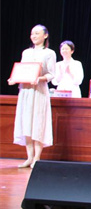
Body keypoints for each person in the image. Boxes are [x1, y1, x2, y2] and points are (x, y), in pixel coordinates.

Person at [8, 24, 56, 168]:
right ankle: (29, 157)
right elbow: (22, 70)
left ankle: (37, 157)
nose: (34, 36)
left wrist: (39, 78)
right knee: (26, 122)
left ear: (45, 35)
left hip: (39, 91)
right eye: (32, 33)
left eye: (37, 33)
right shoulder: (26, 52)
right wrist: (14, 79)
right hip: (25, 91)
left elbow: (51, 74)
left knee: (38, 122)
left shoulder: (49, 53)